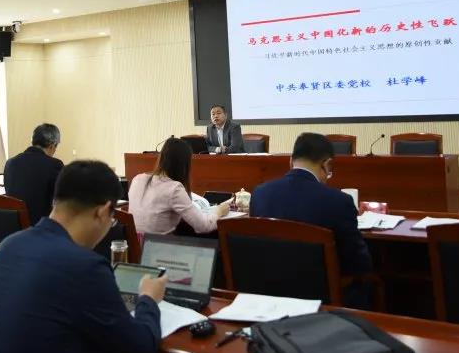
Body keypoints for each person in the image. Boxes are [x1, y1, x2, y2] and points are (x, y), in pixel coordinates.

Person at [0, 160, 165, 353]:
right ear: (103, 211)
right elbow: (139, 351)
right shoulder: (85, 267)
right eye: (112, 221)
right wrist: (148, 299)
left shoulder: (9, 245)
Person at [249, 132, 373, 308]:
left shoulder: (260, 194)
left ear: (290, 161)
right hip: (322, 302)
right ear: (327, 165)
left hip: (268, 297)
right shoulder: (339, 201)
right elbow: (358, 263)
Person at [128, 138, 231, 235]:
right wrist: (219, 211)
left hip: (134, 245)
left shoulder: (137, 179)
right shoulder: (174, 189)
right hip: (159, 246)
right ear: (184, 164)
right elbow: (203, 226)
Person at [2, 123, 65, 224]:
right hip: (40, 227)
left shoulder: (10, 163)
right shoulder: (54, 165)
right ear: (52, 146)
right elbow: (63, 199)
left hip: (14, 227)